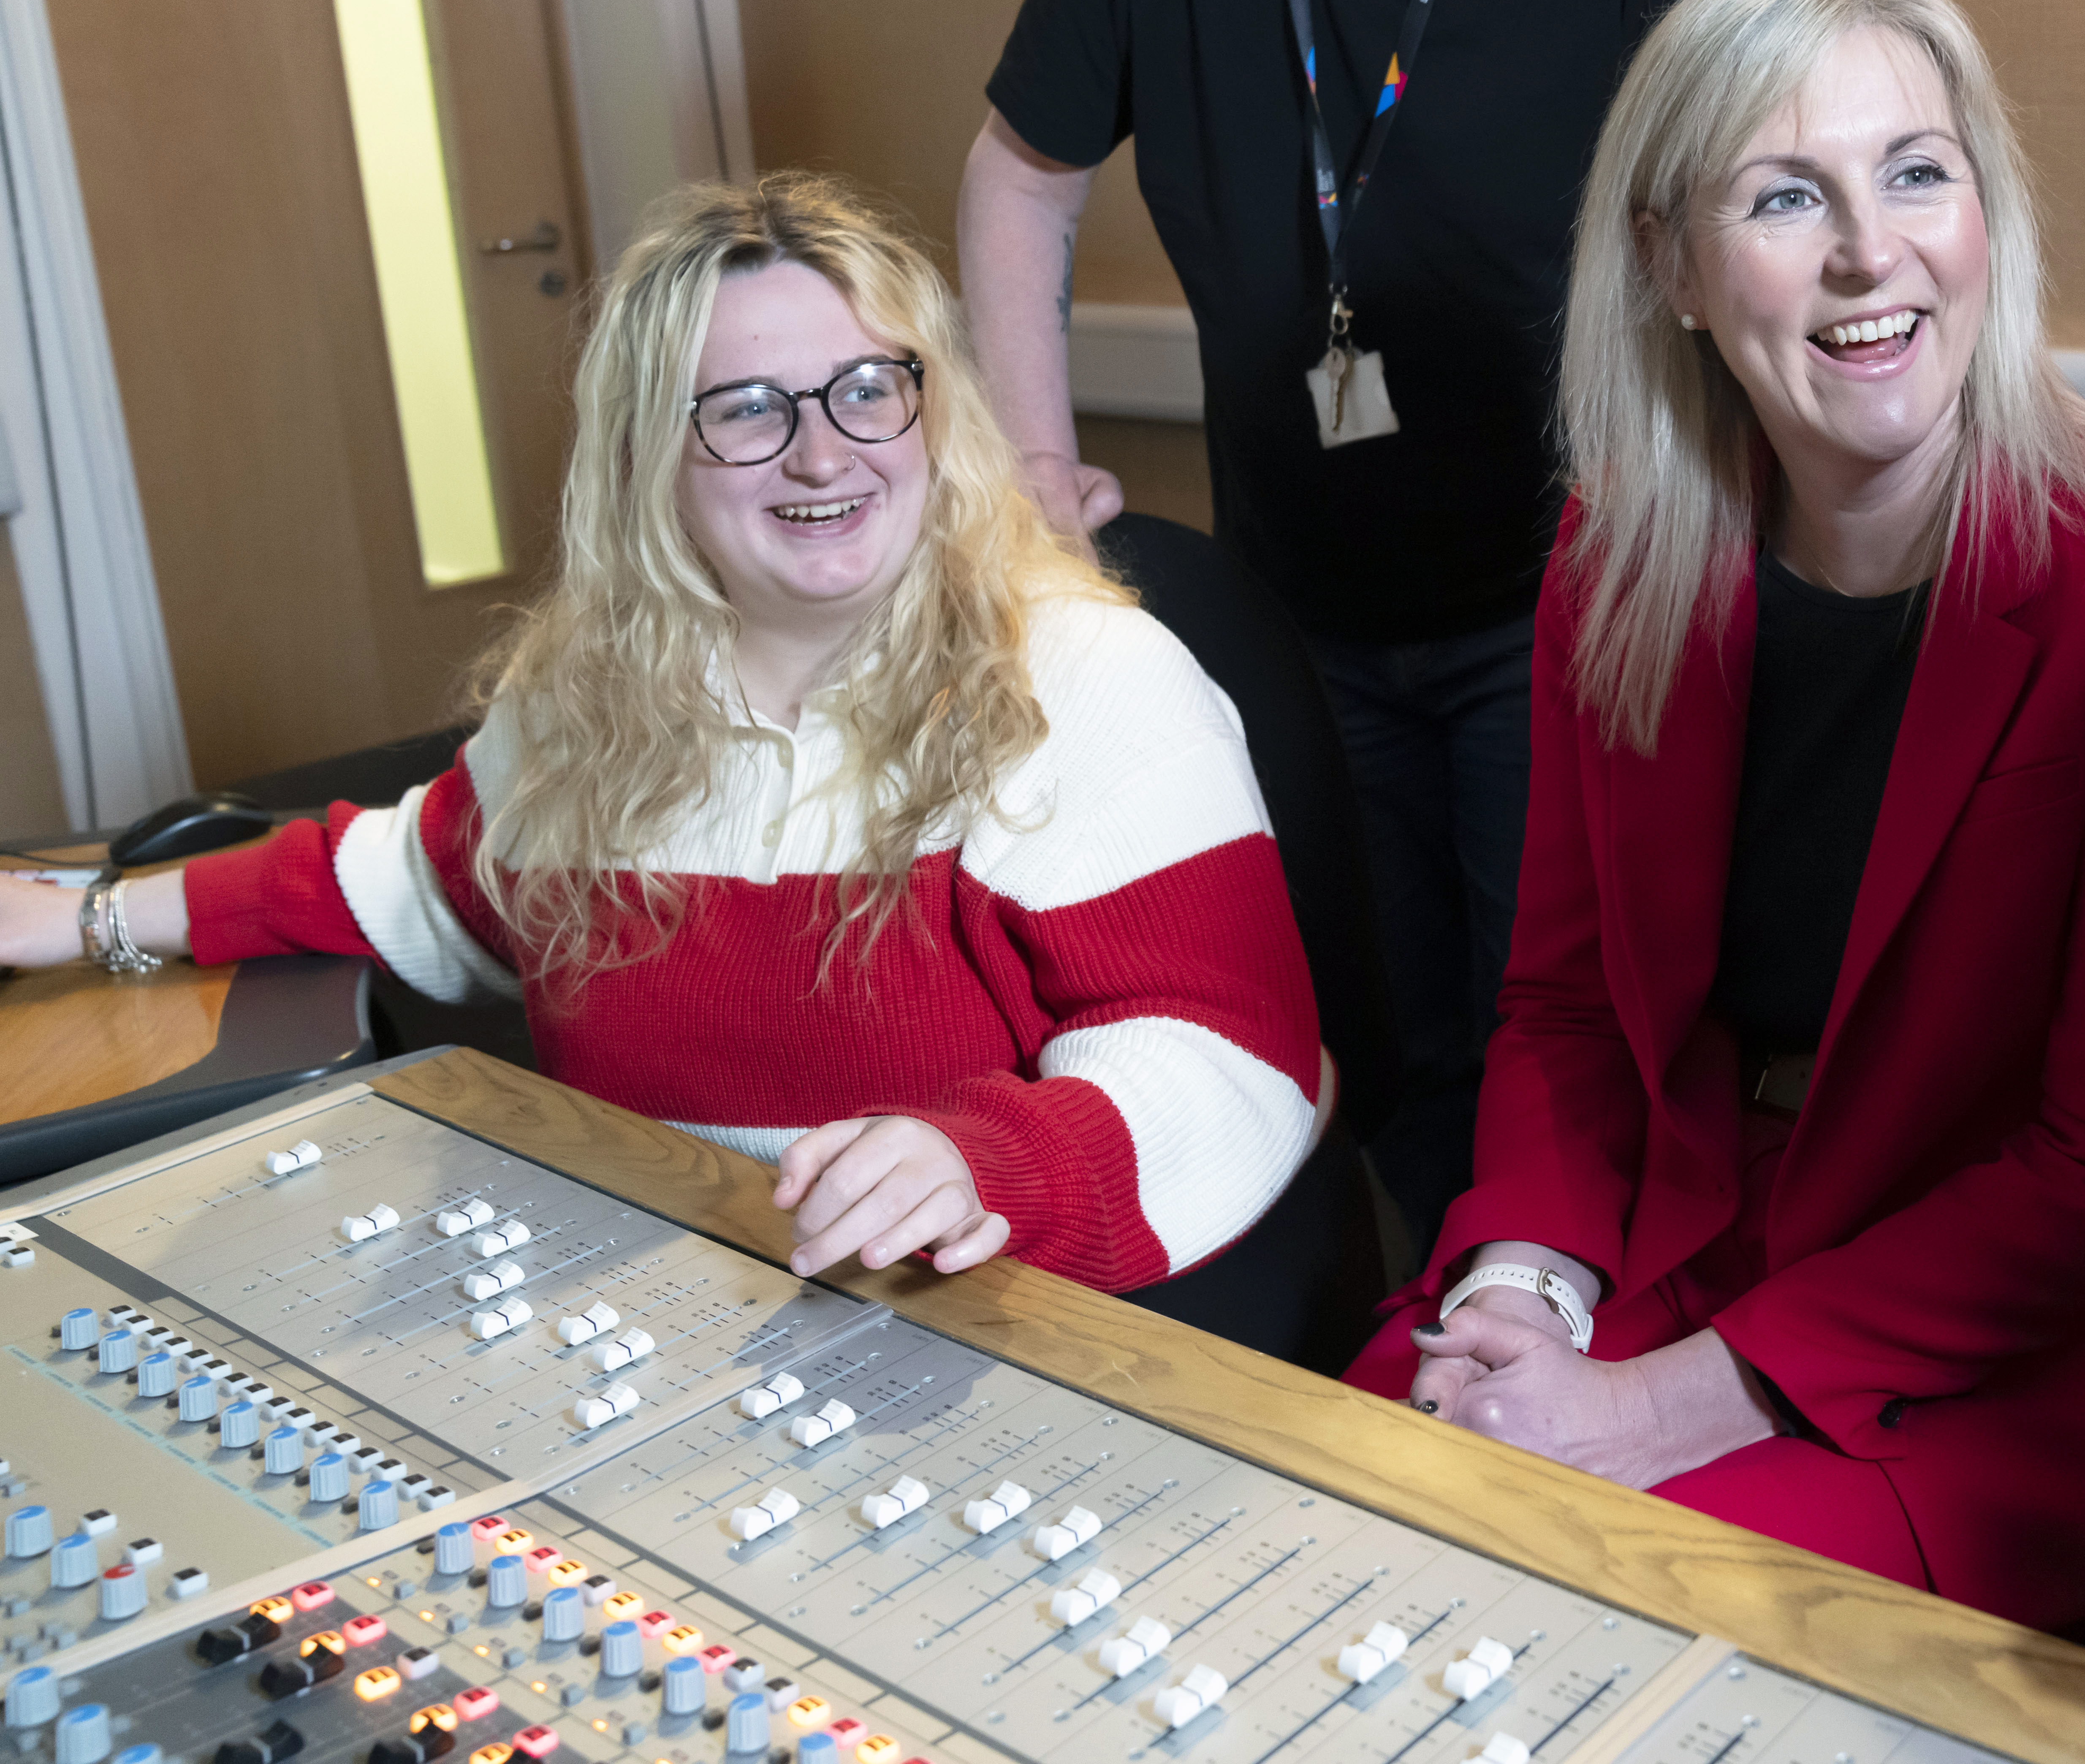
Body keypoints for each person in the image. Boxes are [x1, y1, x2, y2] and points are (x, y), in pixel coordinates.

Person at [1342, 0, 2085, 1630]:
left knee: (1611, 1606)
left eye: (1918, 174)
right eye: (1787, 197)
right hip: (1706, 1214)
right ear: (1675, 271)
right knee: (1356, 1481)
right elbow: (1567, 1007)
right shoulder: (1620, 552)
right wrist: (1529, 1284)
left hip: (2048, 1325)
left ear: (1985, 216)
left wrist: (1652, 1408)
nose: (1875, 253)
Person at [9, 176, 1354, 1344]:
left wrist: (979, 1164)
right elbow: (407, 883)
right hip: (676, 1322)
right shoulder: (587, 702)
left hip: (999, 1331)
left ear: (931, 415)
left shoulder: (1089, 679)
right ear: (652, 455)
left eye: (868, 389)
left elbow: (1229, 1066)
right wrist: (90, 920)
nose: (824, 451)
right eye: (749, 409)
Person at [959, 0, 1739, 1239]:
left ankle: (1558, 1352)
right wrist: (1023, 466)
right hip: (1298, 610)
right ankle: (1428, 1365)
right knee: (1371, 1031)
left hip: (1572, 601)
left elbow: (1736, 219)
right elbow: (1019, 179)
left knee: (1575, 1031)